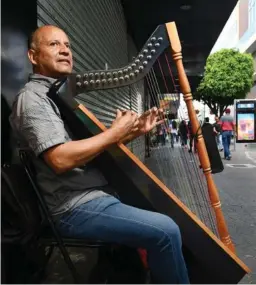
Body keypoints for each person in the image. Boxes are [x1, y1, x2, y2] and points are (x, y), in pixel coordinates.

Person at [9, 25, 189, 284]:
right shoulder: (34, 99)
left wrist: (134, 131)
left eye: (67, 46)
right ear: (33, 57)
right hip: (72, 207)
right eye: (53, 45)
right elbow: (60, 159)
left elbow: (92, 149)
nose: (64, 51)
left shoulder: (59, 95)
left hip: (95, 195)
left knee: (168, 212)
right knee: (166, 231)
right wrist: (115, 133)